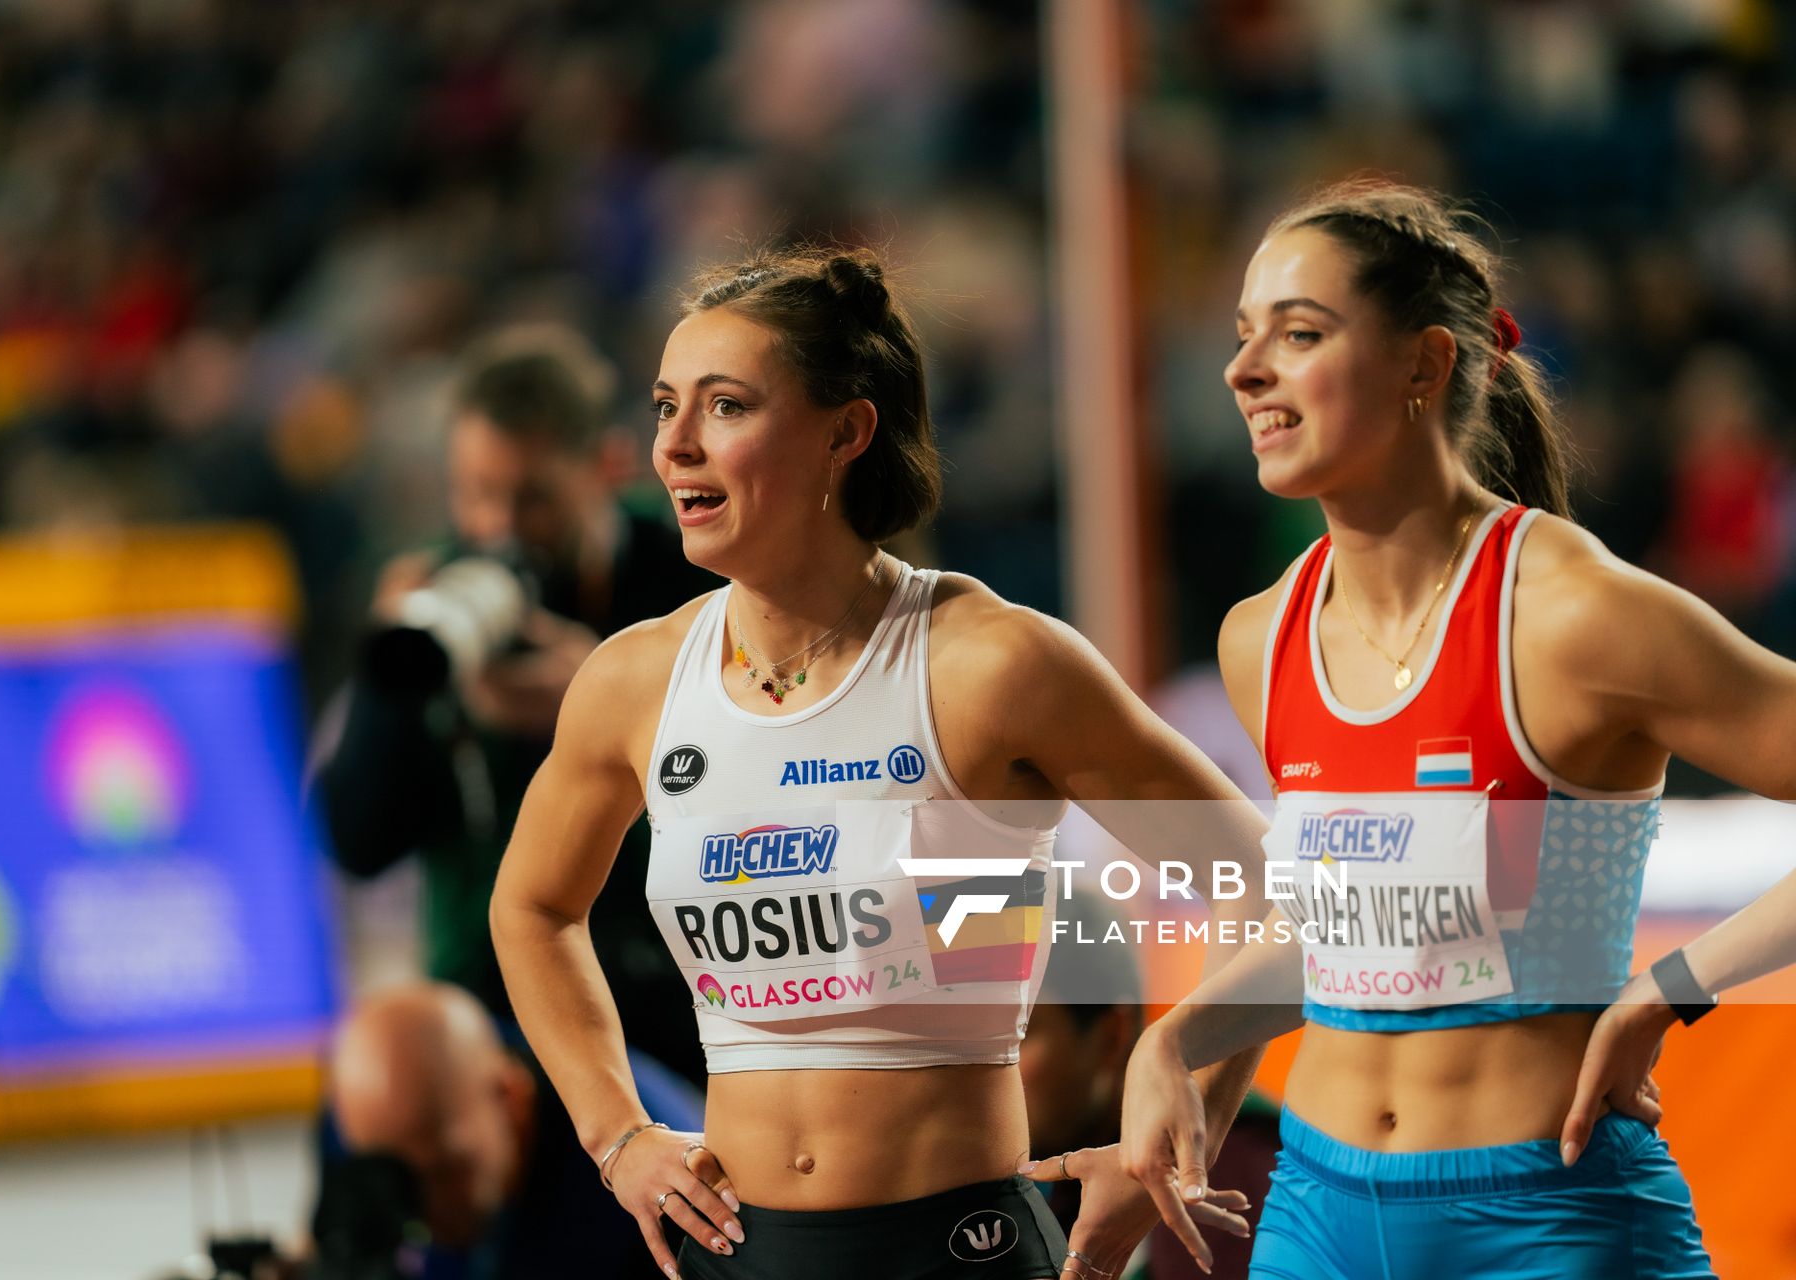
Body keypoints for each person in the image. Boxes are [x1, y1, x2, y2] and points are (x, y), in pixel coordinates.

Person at [488, 246, 1266, 1280]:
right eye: (665, 406)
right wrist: (616, 1133)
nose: (672, 445)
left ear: (847, 431)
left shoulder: (989, 664)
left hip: (955, 1248)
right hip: (733, 1248)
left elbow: (1275, 889)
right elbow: (533, 909)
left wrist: (1184, 1112)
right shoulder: (633, 681)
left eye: (723, 406)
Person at [1118, 178, 1796, 1277]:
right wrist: (1178, 1035)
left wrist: (1671, 988)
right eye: (1245, 337)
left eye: (1300, 334)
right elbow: (1347, 943)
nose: (1246, 371)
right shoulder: (1264, 636)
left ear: (1425, 366)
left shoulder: (1575, 615)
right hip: (1316, 1211)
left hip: (1549, 1218)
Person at [313, 325, 718, 1079]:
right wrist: (392, 691)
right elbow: (357, 843)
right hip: (490, 1003)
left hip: (683, 988)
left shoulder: (696, 579)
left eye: (532, 499)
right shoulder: (435, 605)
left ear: (607, 466)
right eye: (476, 494)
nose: (498, 528)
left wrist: (616, 702)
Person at [317, 981, 703, 1279]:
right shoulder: (357, 1135)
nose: (419, 1214)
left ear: (511, 1098)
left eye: (443, 1173)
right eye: (392, 1181)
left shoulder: (655, 1185)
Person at [1019, 894, 1278, 1279]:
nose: (992, 1069)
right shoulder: (1059, 1176)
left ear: (1110, 1036)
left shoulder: (1233, 1171)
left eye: (1020, 1034)